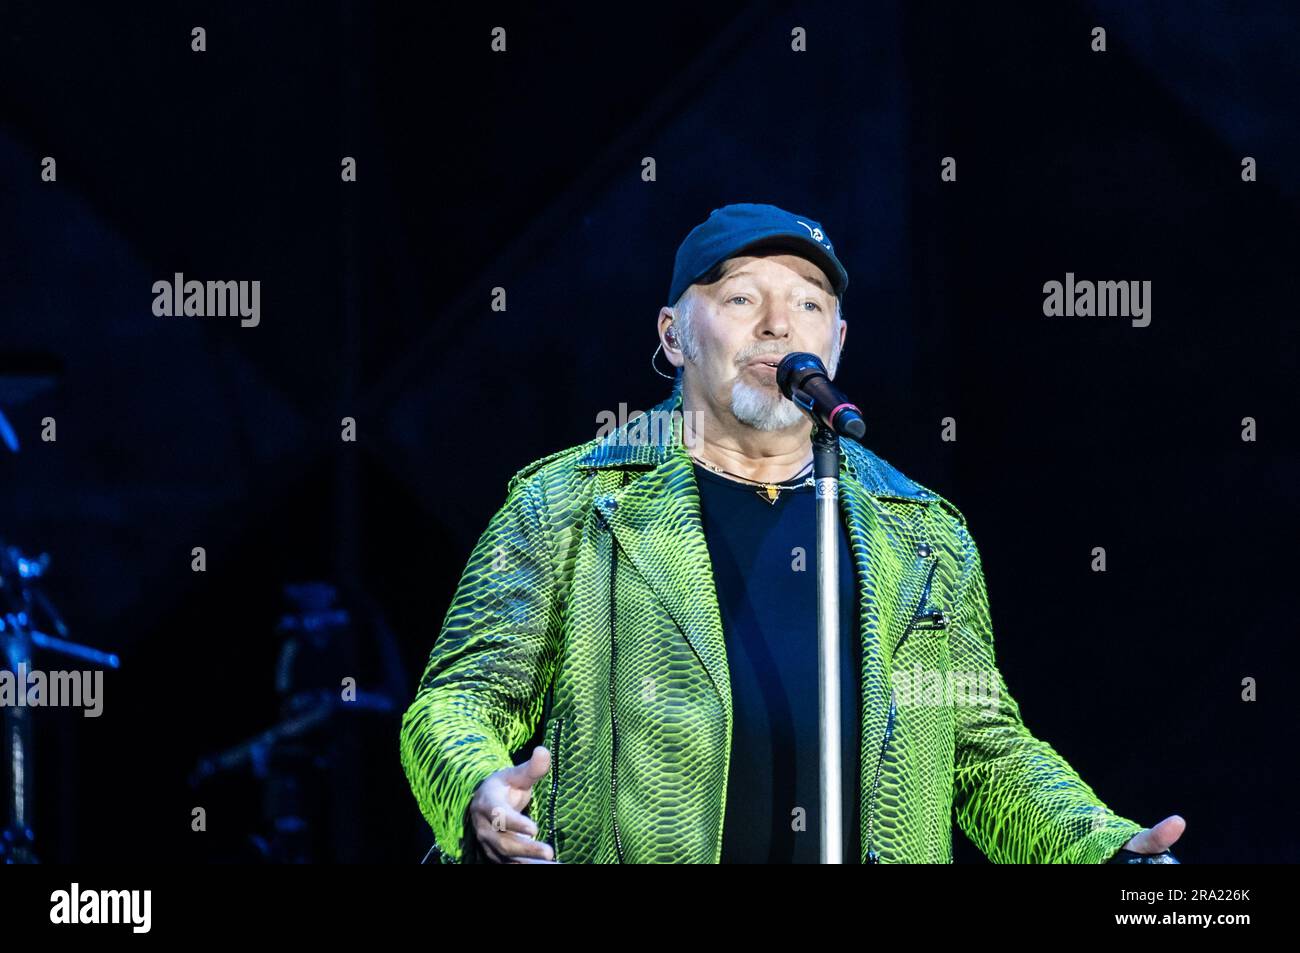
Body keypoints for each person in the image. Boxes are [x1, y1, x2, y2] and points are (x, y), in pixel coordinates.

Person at [399, 202, 1184, 864]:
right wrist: (477, 786)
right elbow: (460, 699)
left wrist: (1104, 846)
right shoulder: (569, 502)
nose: (780, 325)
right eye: (742, 299)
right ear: (674, 336)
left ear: (837, 342)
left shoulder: (922, 532)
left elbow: (982, 749)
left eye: (809, 303)